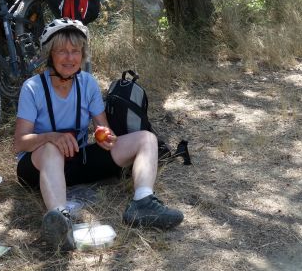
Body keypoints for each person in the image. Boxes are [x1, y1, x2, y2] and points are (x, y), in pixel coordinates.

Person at [14, 18, 183, 250]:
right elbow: (20, 143)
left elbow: (103, 129)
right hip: (38, 166)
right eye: (62, 51)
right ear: (50, 55)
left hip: (78, 159)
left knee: (146, 138)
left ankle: (143, 202)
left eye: (75, 51)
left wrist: (106, 136)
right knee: (52, 149)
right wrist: (50, 137)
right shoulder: (33, 87)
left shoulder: (88, 84)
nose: (70, 58)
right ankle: (60, 220)